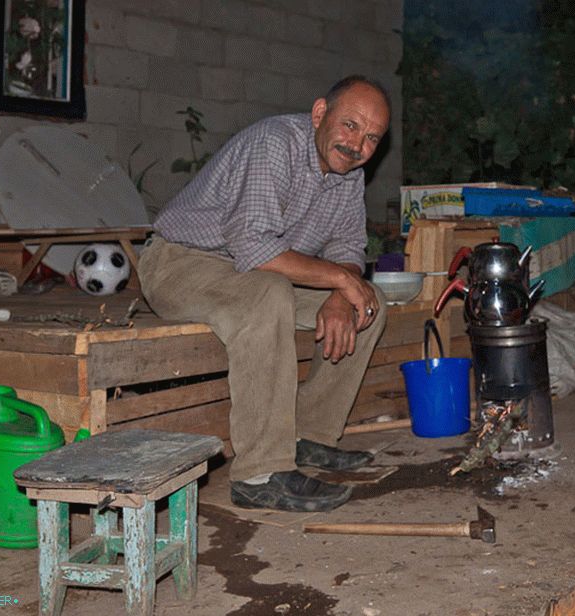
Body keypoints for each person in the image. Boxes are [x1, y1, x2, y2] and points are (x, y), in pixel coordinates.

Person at [138, 76, 391, 512]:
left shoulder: (349, 176)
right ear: (319, 114)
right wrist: (337, 278)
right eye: (349, 125)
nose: (357, 145)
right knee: (267, 292)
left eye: (371, 138)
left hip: (252, 270)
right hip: (180, 262)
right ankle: (260, 473)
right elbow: (254, 246)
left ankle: (307, 437)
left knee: (367, 303)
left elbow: (349, 250)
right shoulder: (276, 143)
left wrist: (339, 291)